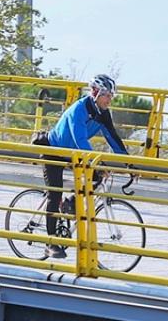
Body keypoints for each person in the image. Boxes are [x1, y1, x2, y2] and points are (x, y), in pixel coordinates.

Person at [39, 73, 129, 259]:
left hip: (72, 153)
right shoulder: (78, 110)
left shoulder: (103, 113)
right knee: (55, 194)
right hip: (54, 150)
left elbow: (113, 137)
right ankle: (50, 242)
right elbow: (80, 140)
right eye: (107, 95)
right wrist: (97, 163)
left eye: (112, 96)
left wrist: (130, 164)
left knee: (98, 177)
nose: (109, 100)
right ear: (95, 92)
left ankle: (71, 202)